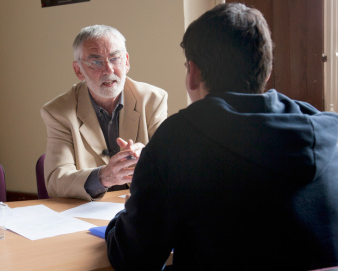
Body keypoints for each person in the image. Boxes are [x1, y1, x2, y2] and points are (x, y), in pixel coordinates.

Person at [105, 3, 338, 270]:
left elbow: (134, 259)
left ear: (192, 74)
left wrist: (118, 222)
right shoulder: (330, 132)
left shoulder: (177, 141)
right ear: (267, 71)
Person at [41, 25, 168, 201]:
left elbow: (173, 166)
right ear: (78, 70)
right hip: (85, 214)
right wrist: (103, 177)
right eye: (96, 62)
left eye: (115, 58)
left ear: (127, 62)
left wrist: (147, 156)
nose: (109, 70)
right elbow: (56, 181)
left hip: (142, 207)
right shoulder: (58, 112)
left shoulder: (153, 99)